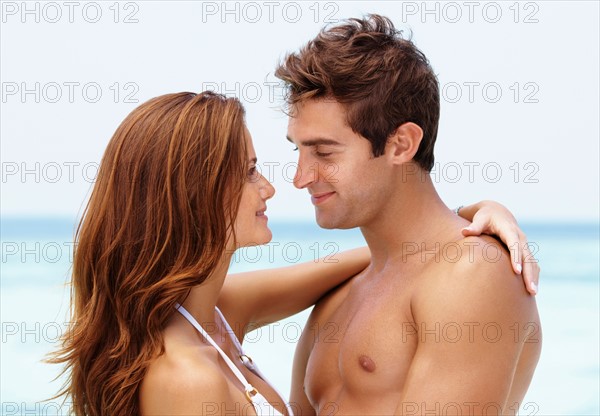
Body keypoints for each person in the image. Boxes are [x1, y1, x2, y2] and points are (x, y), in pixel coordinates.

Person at [49, 91, 537, 416]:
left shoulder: (207, 315)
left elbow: (388, 256)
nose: (273, 187)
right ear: (192, 194)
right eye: (247, 171)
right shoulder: (188, 379)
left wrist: (473, 215)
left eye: (323, 154)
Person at [275, 15, 542, 415]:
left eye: (325, 154)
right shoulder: (338, 294)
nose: (300, 179)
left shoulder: (471, 273)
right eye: (299, 151)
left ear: (401, 145)